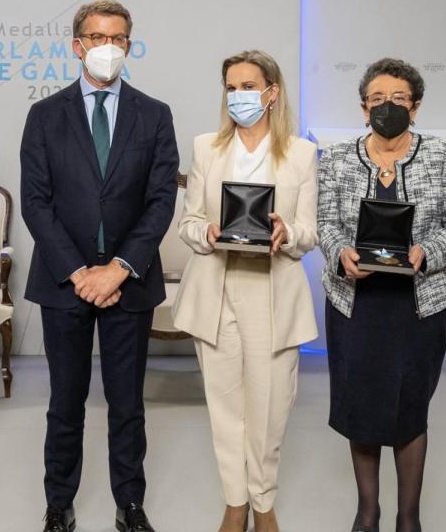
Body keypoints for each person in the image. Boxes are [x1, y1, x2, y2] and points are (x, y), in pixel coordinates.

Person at [20, 0, 179, 532]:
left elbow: (160, 201)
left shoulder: (154, 115)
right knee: (65, 401)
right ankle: (58, 502)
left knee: (127, 402)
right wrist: (80, 272)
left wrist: (119, 268)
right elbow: (36, 202)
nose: (107, 47)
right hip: (63, 282)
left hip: (129, 283)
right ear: (77, 46)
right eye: (96, 37)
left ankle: (129, 503)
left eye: (117, 39)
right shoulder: (45, 115)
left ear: (128, 45)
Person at [317, 58, 446, 532]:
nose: (387, 106)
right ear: (363, 107)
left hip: (418, 306)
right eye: (377, 99)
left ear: (417, 106)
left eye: (399, 99)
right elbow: (325, 222)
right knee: (361, 406)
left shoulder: (441, 154)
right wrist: (340, 253)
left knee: (410, 411)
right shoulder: (337, 157)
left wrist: (427, 253)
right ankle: (367, 513)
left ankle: (409, 519)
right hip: (356, 305)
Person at [172, 50, 318, 532]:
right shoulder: (206, 148)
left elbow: (309, 232)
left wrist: (287, 233)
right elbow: (189, 222)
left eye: (249, 87)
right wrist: (207, 232)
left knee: (270, 409)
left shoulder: (301, 153)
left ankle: (263, 500)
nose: (239, 97)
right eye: (231, 88)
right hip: (216, 287)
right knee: (225, 407)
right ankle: (235, 502)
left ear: (271, 93)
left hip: (273, 291)